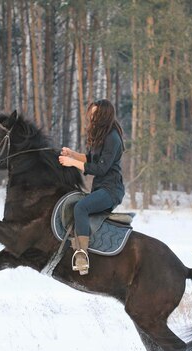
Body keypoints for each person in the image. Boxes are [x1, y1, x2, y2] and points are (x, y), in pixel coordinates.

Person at [58, 99, 125, 275]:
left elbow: (101, 168)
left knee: (81, 207)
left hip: (111, 190)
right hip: (101, 188)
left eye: (95, 114)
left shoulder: (113, 138)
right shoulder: (103, 136)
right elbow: (91, 159)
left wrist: (71, 162)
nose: (92, 118)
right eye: (91, 114)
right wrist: (73, 154)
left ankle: (81, 255)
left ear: (104, 116)